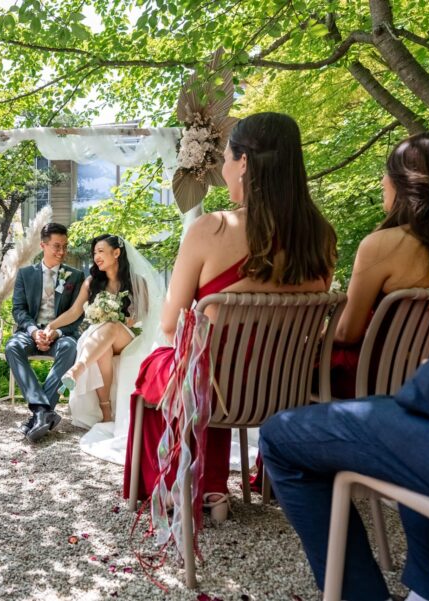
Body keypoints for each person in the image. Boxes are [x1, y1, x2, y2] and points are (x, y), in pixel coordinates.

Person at [123, 112, 337, 521]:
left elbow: (170, 324)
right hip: (282, 388)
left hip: (213, 389)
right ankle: (214, 487)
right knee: (206, 363)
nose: (222, 169)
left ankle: (185, 487)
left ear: (244, 163)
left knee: (161, 367)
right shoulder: (322, 236)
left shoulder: (213, 229)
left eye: (225, 158)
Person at [260, 301, 429, 601]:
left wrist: (424, 381)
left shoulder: (379, 251)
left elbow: (346, 331)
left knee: (280, 437)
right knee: (422, 432)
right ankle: (428, 593)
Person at [330, 131, 429, 398]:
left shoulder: (382, 245)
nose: (383, 181)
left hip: (370, 383)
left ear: (410, 183)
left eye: (390, 173)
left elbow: (347, 333)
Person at [43, 234, 164, 464]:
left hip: (128, 338)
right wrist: (51, 325)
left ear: (116, 253)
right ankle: (106, 414)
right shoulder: (91, 283)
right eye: (94, 253)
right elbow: (74, 312)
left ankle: (76, 370)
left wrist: (124, 319)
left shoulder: (137, 281)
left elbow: (146, 315)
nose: (96, 257)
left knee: (110, 327)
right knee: (103, 347)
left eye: (101, 251)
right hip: (101, 339)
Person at [6, 222, 84, 442]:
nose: (62, 252)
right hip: (31, 332)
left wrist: (56, 333)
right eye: (56, 246)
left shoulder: (75, 276)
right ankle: (44, 411)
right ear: (43, 245)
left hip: (60, 335)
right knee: (12, 346)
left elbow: (77, 315)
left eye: (65, 246)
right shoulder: (25, 274)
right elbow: (18, 310)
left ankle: (40, 413)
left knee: (71, 347)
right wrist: (33, 332)